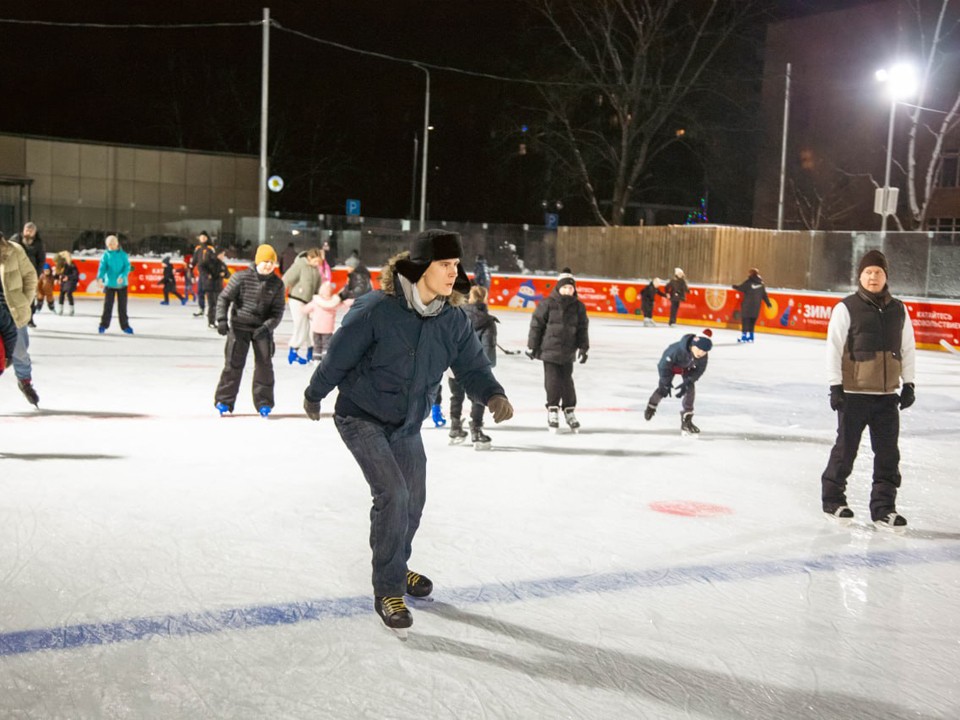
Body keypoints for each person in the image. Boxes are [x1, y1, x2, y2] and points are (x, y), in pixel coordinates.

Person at [302, 229, 514, 633]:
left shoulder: (452, 319)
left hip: (407, 424)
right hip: (361, 416)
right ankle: (388, 590)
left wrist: (492, 393)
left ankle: (397, 567)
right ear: (420, 268)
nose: (454, 273)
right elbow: (340, 356)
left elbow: (472, 365)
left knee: (414, 500)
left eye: (456, 265)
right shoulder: (375, 310)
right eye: (445, 265)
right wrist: (315, 393)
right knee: (393, 494)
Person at [820, 250, 916, 531]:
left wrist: (909, 383)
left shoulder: (899, 309)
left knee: (888, 455)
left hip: (887, 396)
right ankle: (833, 500)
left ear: (886, 276)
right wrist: (835, 386)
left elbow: (908, 348)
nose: (873, 276)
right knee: (846, 450)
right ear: (860, 276)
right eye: (868, 272)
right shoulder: (846, 308)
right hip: (854, 394)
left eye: (878, 272)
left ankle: (884, 509)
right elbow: (833, 348)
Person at [214, 244, 285, 418]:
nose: (268, 265)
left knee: (264, 367)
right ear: (257, 261)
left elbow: (277, 312)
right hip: (239, 327)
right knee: (233, 364)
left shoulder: (277, 284)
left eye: (271, 262)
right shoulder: (241, 277)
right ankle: (224, 401)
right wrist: (222, 320)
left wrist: (266, 328)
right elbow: (224, 298)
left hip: (262, 330)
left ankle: (264, 403)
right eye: (265, 261)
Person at [526, 268, 589, 432]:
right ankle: (552, 409)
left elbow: (583, 328)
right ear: (558, 287)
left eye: (570, 288)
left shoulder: (578, 307)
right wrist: (533, 346)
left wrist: (583, 348)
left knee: (567, 382)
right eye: (565, 287)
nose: (568, 290)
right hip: (550, 350)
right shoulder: (547, 304)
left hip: (568, 352)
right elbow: (536, 325)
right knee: (552, 382)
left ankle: (569, 410)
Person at [448, 284, 499, 448]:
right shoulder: (487, 321)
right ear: (485, 298)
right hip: (475, 368)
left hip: (454, 366)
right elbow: (488, 347)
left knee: (456, 396)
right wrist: (487, 368)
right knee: (478, 398)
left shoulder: (456, 314)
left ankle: (455, 427)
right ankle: (476, 430)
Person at [643, 331, 712, 434]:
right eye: (699, 349)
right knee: (663, 389)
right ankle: (652, 405)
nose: (700, 353)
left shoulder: (702, 356)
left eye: (704, 352)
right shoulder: (675, 350)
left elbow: (699, 370)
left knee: (690, 388)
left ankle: (686, 419)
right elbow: (663, 366)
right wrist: (666, 382)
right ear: (692, 345)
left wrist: (689, 381)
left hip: (687, 367)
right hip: (671, 366)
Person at [0, 231, 40, 406]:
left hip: (12, 310)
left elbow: (30, 276)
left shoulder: (14, 250)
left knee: (20, 352)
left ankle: (25, 381)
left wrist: (25, 300)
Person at [282, 247, 325, 364]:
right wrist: (279, 295)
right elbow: (286, 279)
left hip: (310, 302)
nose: (317, 264)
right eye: (316, 261)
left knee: (312, 327)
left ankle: (311, 351)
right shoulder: (299, 265)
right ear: (309, 258)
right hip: (297, 299)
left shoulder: (316, 270)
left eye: (319, 262)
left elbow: (318, 286)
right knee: (301, 325)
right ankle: (293, 351)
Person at [96, 235, 133, 335]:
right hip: (109, 285)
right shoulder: (106, 255)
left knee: (122, 307)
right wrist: (100, 278)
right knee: (107, 306)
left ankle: (125, 326)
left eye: (112, 244)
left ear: (117, 243)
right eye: (108, 245)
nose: (110, 246)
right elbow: (102, 268)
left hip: (122, 285)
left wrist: (122, 276)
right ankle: (103, 325)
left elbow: (127, 267)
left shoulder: (123, 255)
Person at [304, 281, 349, 362]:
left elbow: (305, 309)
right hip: (327, 328)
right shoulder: (333, 303)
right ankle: (325, 360)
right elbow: (343, 305)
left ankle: (316, 359)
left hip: (316, 328)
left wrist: (302, 308)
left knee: (317, 344)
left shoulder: (316, 302)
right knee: (327, 345)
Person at [13, 222, 44, 328]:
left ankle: (29, 319)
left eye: (31, 231)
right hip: (15, 273)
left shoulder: (38, 244)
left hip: (30, 275)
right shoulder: (16, 239)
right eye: (27, 230)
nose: (28, 232)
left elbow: (41, 260)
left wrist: (37, 274)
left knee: (29, 298)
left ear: (35, 232)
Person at [732, 268, 772, 343]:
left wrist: (734, 287)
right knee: (752, 322)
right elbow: (764, 295)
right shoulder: (761, 284)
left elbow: (741, 288)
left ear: (751, 274)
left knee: (745, 321)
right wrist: (768, 303)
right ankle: (751, 337)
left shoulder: (749, 282)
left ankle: (744, 337)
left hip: (747, 306)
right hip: (756, 306)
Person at [190, 231, 217, 318]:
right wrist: (191, 273)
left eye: (204, 237)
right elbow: (194, 261)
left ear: (207, 238)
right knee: (200, 291)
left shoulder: (210, 248)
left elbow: (214, 261)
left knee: (209, 293)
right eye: (201, 237)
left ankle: (211, 310)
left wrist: (212, 272)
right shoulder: (198, 248)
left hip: (209, 274)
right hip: (201, 274)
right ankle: (201, 309)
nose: (202, 239)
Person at [202, 249, 230, 328]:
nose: (223, 257)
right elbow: (203, 268)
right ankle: (211, 321)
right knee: (212, 305)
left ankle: (216, 321)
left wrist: (224, 274)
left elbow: (228, 274)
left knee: (218, 305)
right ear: (218, 255)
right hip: (210, 287)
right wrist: (210, 274)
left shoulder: (222, 264)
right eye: (222, 255)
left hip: (218, 287)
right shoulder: (211, 263)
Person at [55, 251, 79, 315]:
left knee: (68, 293)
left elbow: (76, 274)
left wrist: (68, 277)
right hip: (64, 282)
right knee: (61, 294)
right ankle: (60, 308)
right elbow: (57, 273)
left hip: (71, 282)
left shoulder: (71, 265)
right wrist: (56, 278)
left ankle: (71, 309)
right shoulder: (60, 265)